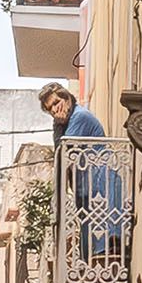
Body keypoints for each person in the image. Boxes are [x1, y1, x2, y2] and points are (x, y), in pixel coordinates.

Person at [38, 84, 126, 268]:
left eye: (56, 103)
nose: (55, 110)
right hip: (88, 189)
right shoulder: (67, 123)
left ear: (67, 98)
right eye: (50, 108)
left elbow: (64, 156)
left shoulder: (80, 117)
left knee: (101, 249)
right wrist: (57, 125)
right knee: (92, 247)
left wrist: (57, 126)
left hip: (100, 183)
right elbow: (60, 156)